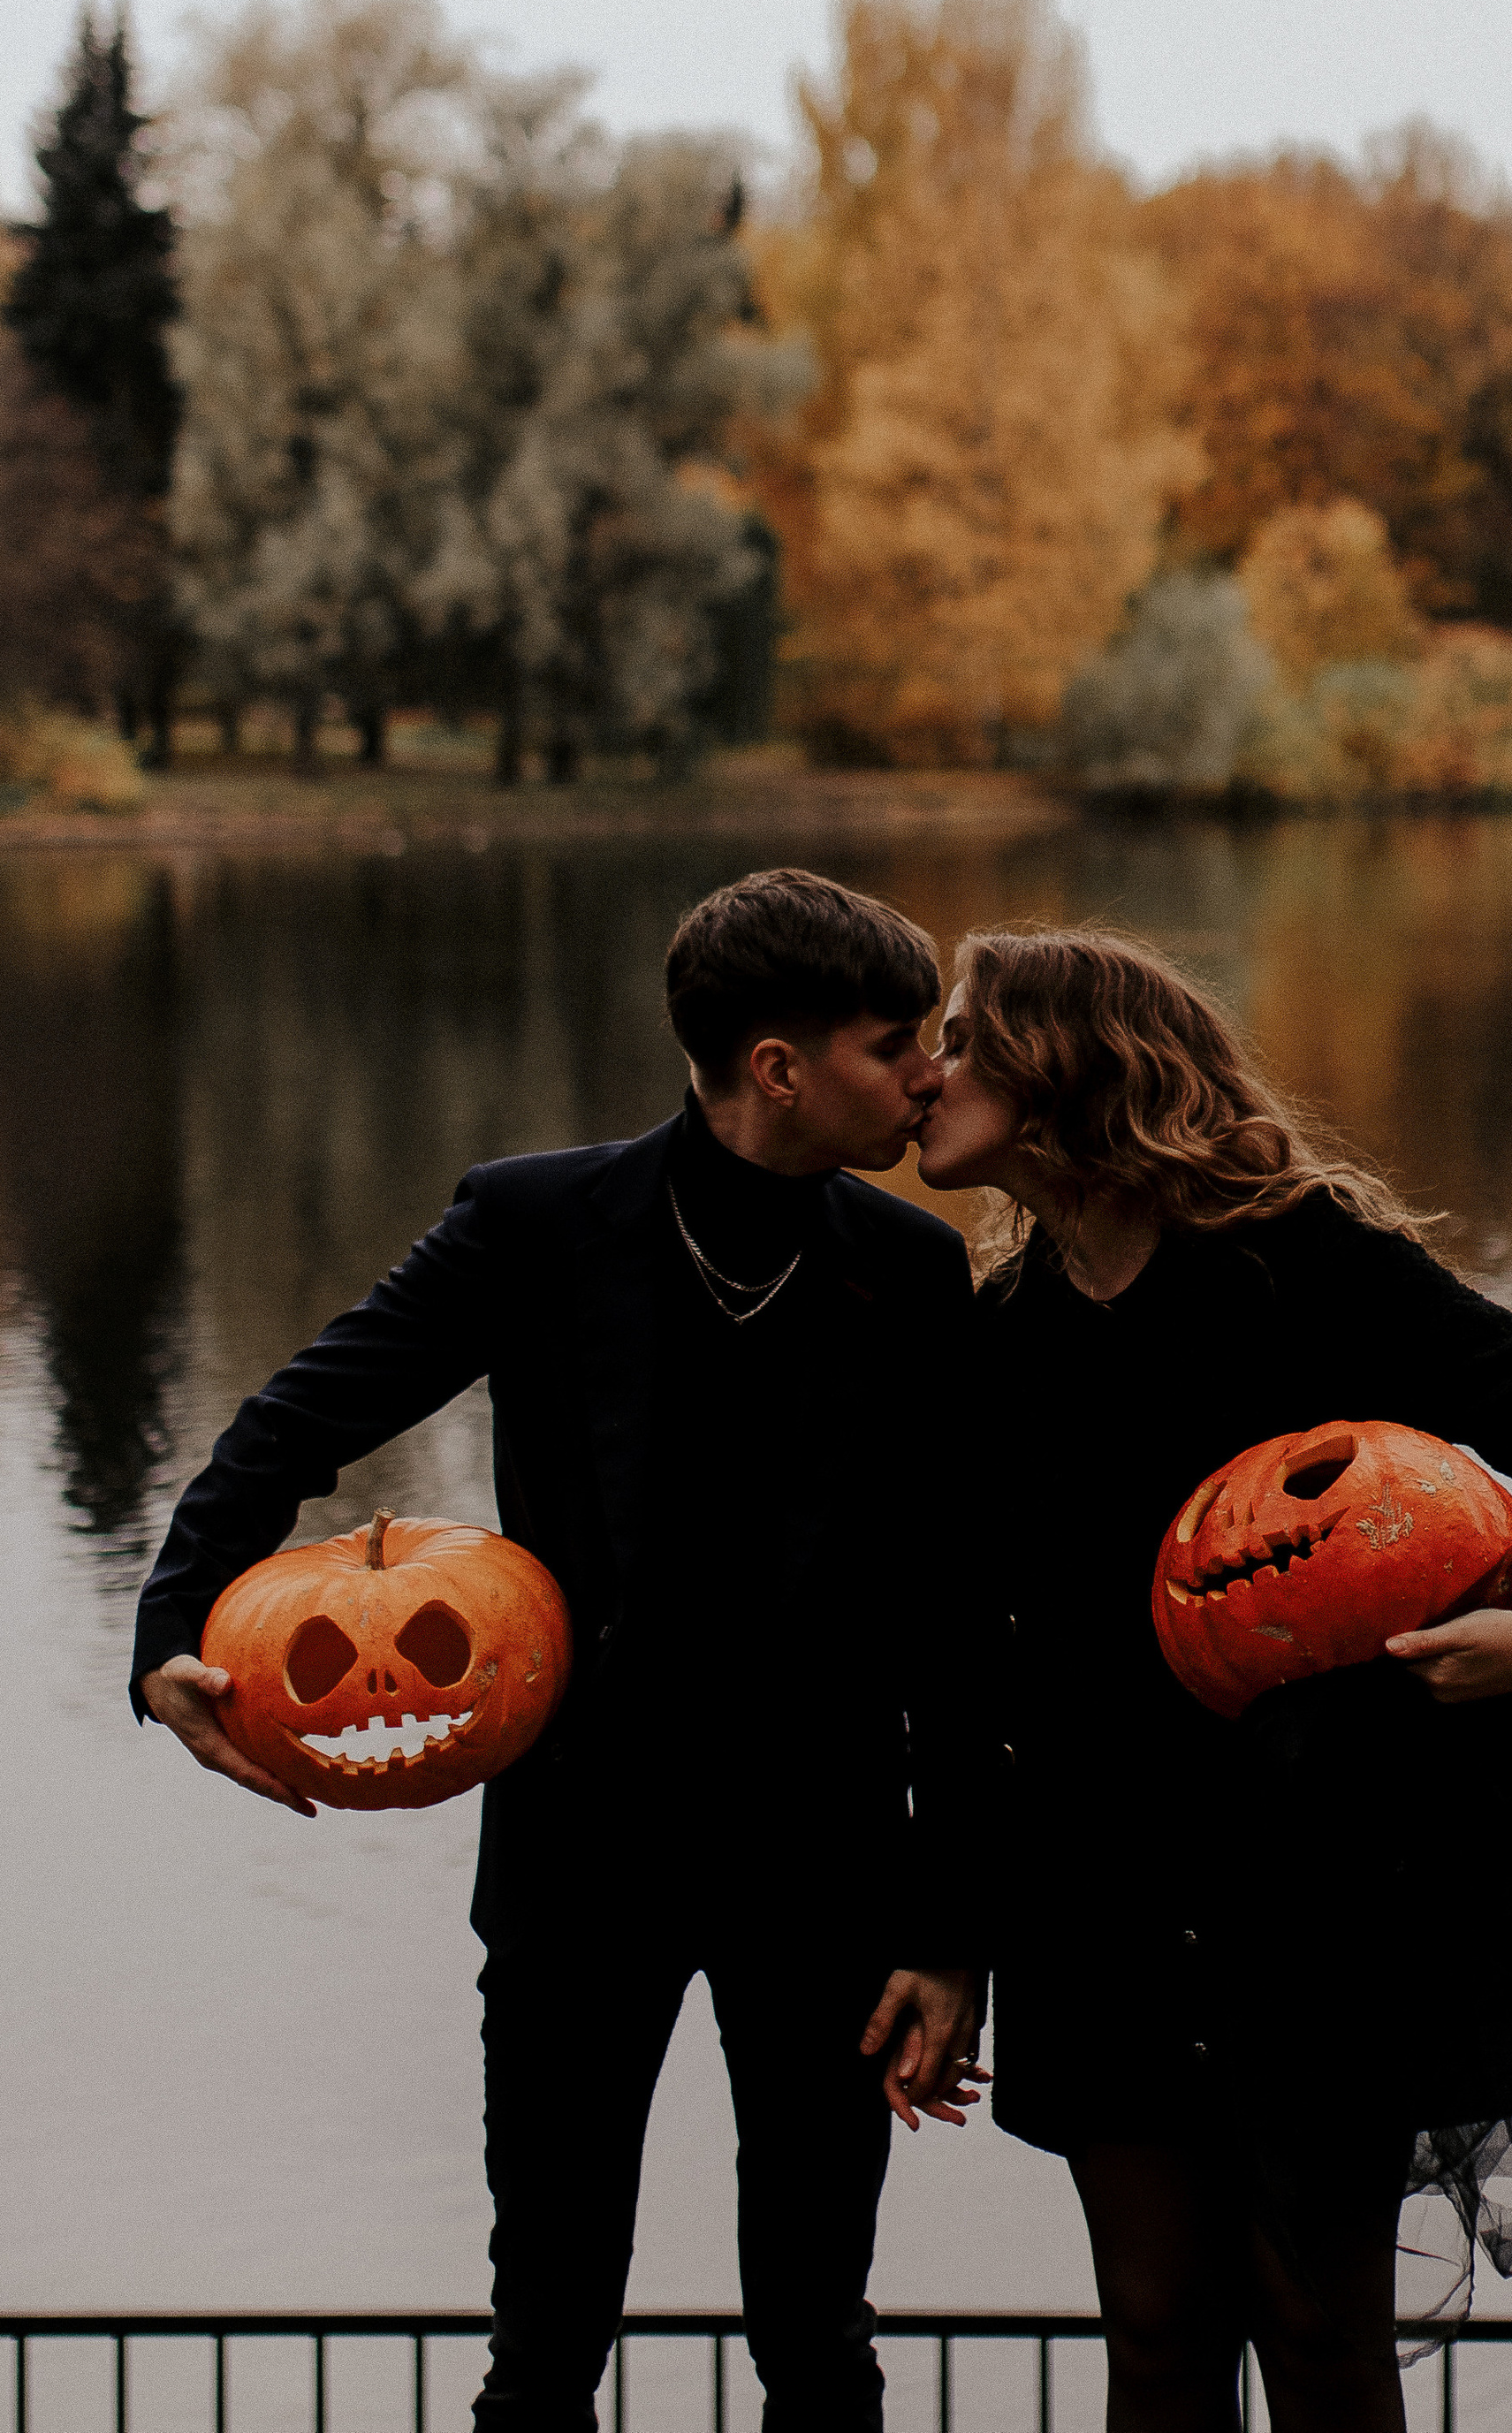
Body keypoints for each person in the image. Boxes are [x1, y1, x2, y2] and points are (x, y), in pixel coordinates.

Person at [133, 868, 999, 2433]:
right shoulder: (535, 1225)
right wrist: (169, 1630)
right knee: (544, 2342)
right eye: (899, 1044)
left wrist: (950, 1931)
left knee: (820, 2338)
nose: (931, 1074)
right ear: (777, 1068)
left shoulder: (913, 1270)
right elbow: (298, 1421)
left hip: (830, 1872)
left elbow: (950, 1621)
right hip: (581, 1853)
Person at [913, 926, 1512, 2433]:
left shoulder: (1303, 1268)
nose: (924, 1072)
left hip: (1323, 1890)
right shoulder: (992, 1342)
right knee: (1152, 2327)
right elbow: (964, 1667)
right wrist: (948, 1934)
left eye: (961, 1037)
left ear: (1065, 1065)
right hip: (1096, 1899)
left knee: (1314, 2321)